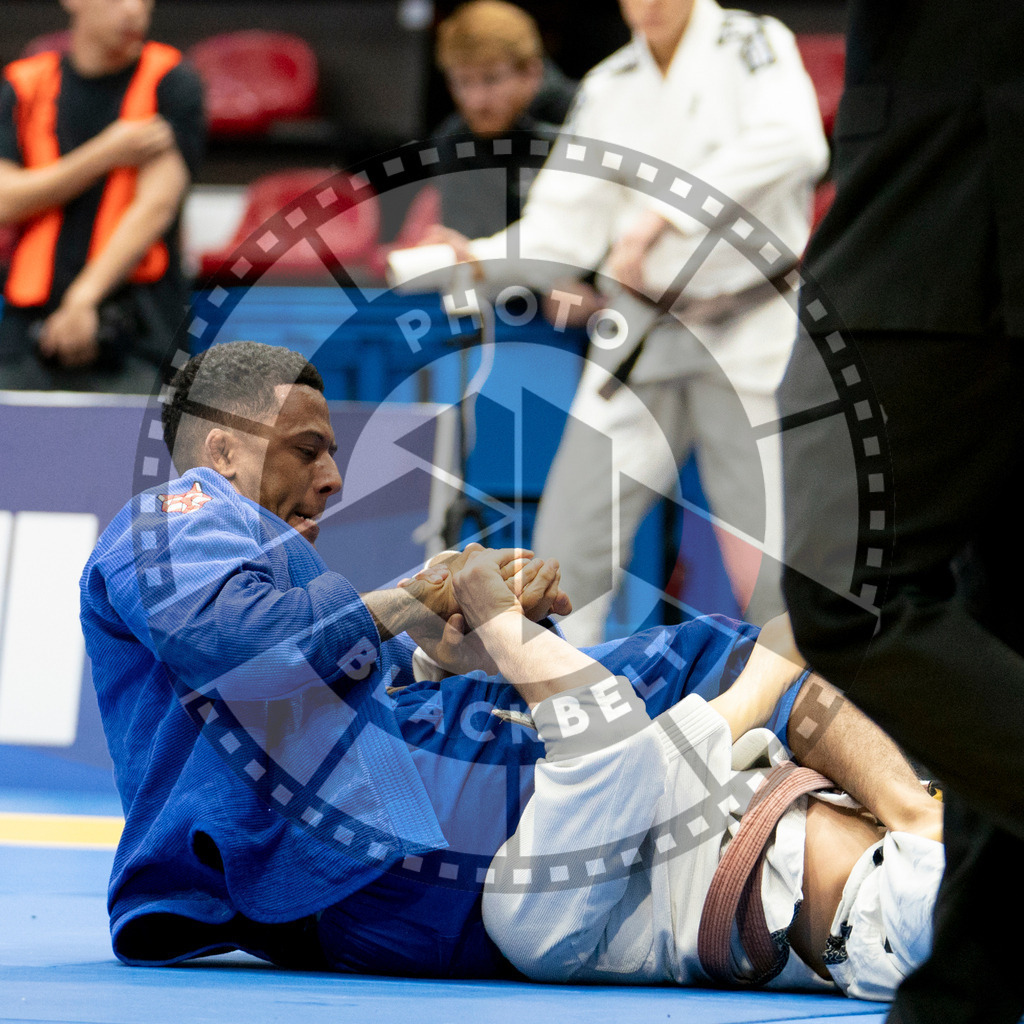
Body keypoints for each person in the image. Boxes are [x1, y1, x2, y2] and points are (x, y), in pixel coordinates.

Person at [80, 340, 931, 977]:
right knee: (737, 656)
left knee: (746, 702)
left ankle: (921, 827)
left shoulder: (251, 562)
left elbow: (283, 699)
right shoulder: (178, 510)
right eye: (308, 449)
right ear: (223, 451)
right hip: (376, 857)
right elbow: (239, 647)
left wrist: (451, 654)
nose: (334, 478)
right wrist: (427, 594)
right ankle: (924, 826)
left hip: (387, 859)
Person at [420, 0, 830, 646]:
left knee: (779, 558)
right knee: (568, 540)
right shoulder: (610, 85)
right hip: (645, 330)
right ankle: (560, 709)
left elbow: (797, 143)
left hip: (752, 324)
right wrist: (483, 258)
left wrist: (661, 215)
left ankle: (785, 719)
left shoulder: (752, 42)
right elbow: (564, 222)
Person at [777, 3, 1024, 1022]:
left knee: (850, 590)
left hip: (946, 202)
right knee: (1004, 610)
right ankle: (962, 994)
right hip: (954, 193)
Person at [437, 548, 944, 998]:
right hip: (894, 907)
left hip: (908, 846)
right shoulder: (528, 922)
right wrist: (499, 623)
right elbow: (612, 740)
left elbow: (617, 745)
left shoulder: (548, 887)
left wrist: (463, 641)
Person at [0, 0, 204, 393]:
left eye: (143, 0)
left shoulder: (171, 80)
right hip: (27, 328)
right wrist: (106, 152)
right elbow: (5, 201)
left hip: (140, 328)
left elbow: (155, 207)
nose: (133, 10)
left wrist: (82, 299)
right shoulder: (23, 84)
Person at [428, 0, 575, 238]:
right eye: (463, 82)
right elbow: (470, 248)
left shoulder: (583, 117)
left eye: (491, 79)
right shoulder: (453, 143)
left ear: (532, 72)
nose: (475, 101)